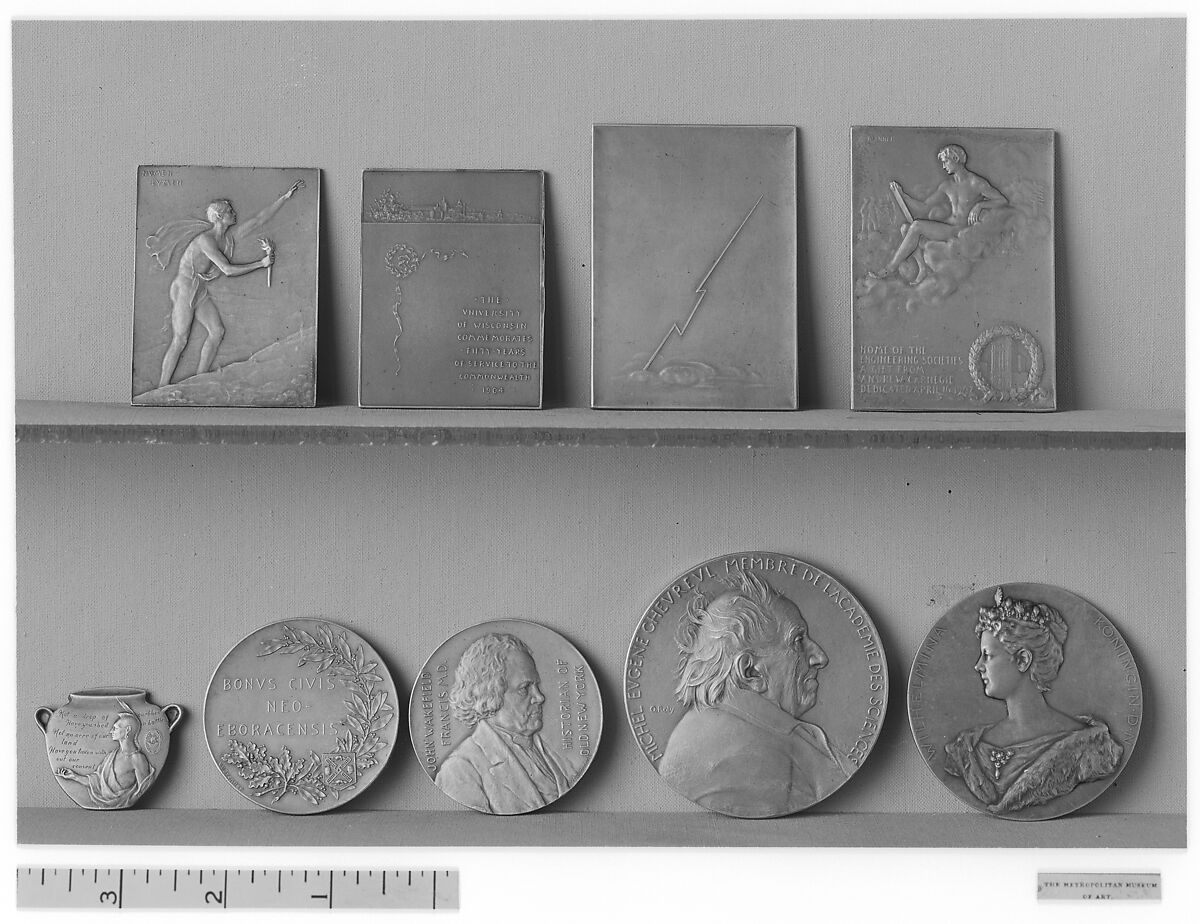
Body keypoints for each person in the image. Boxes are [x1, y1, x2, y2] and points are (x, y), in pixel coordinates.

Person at [659, 570, 847, 817]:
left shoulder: (717, 727)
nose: (819, 657)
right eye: (798, 640)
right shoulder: (747, 762)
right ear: (751, 672)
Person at [945, 588, 1123, 815]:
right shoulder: (966, 748)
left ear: (1022, 660)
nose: (978, 666)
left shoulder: (1090, 746)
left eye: (987, 655)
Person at [146, 179, 305, 388]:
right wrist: (261, 263)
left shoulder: (228, 239)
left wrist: (285, 197)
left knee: (217, 331)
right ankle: (161, 388)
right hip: (185, 287)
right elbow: (227, 270)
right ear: (220, 217)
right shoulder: (206, 240)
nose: (234, 213)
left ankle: (200, 379)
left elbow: (258, 220)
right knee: (181, 339)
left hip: (198, 288)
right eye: (230, 211)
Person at [435, 633, 572, 814]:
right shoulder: (460, 769)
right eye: (525, 688)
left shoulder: (553, 755)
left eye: (536, 686)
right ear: (491, 694)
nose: (540, 697)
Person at [874, 144, 1007, 284]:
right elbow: (924, 207)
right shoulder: (947, 186)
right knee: (905, 228)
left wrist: (980, 205)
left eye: (946, 161)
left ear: (956, 159)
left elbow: (1002, 200)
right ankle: (923, 269)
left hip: (961, 231)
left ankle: (890, 268)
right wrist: (903, 195)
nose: (943, 166)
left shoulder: (976, 183)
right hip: (948, 227)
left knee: (917, 226)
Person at [56, 703, 156, 809]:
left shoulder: (137, 758)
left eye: (115, 728)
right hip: (102, 805)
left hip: (126, 807)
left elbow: (143, 790)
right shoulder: (112, 756)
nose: (111, 731)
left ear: (127, 730)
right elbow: (96, 781)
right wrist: (74, 776)